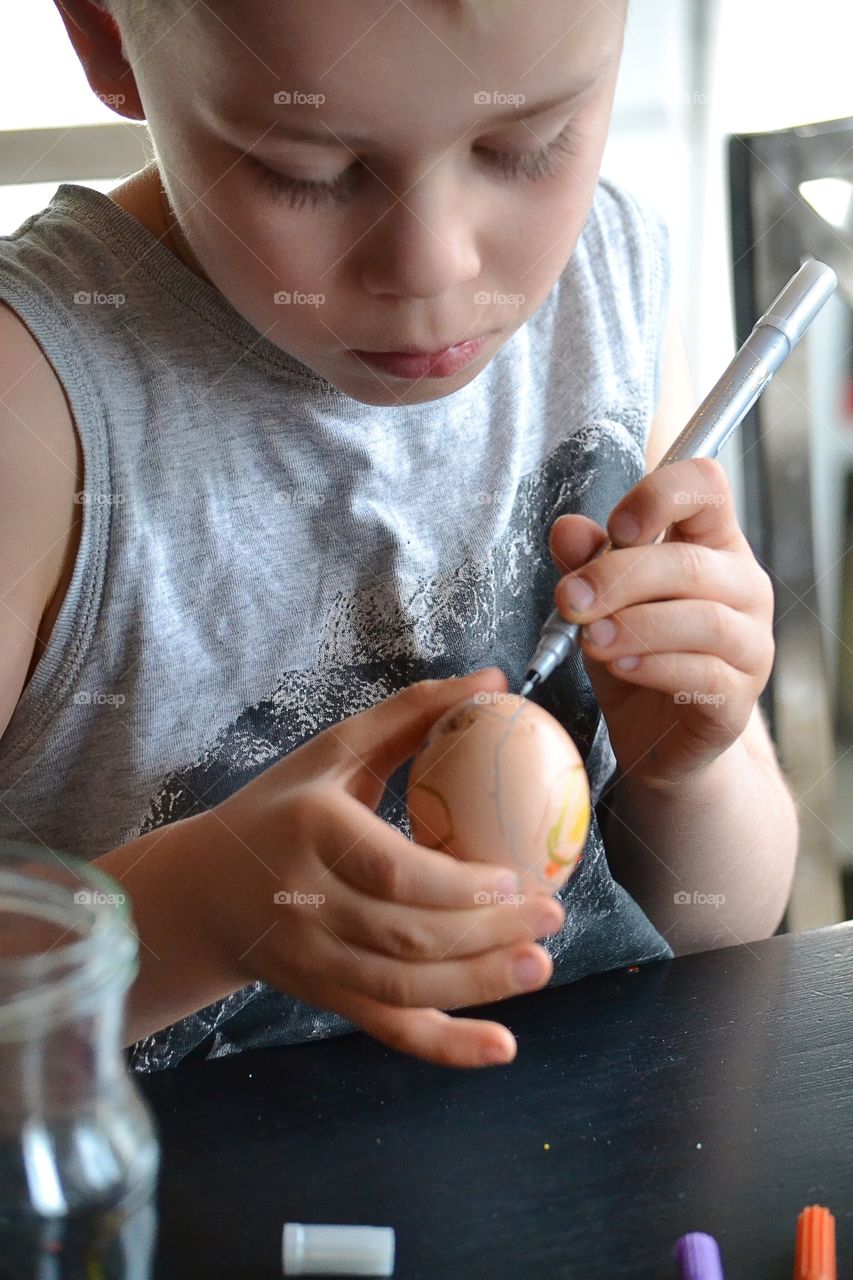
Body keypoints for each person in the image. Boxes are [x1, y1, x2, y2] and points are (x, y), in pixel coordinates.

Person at [0, 0, 797, 1074]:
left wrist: (686, 771)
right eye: (308, 169)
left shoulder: (604, 293)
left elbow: (718, 933)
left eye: (525, 147)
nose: (431, 268)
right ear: (104, 38)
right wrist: (195, 913)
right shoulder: (35, 407)